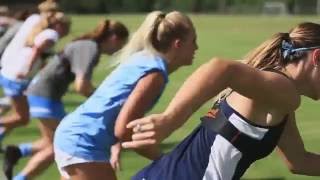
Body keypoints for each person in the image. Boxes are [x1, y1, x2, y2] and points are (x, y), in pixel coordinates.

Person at [123, 22, 320, 180]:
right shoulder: (283, 92)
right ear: (317, 57)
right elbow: (222, 68)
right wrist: (170, 119)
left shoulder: (277, 97)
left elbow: (299, 161)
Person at [53, 10, 198, 180]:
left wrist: (116, 145)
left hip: (75, 136)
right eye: (193, 41)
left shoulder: (144, 59)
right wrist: (163, 158)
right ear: (178, 44)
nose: (196, 48)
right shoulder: (155, 74)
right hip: (83, 142)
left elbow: (116, 110)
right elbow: (124, 129)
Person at [4, 19, 129, 180]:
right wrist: (108, 101)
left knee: (58, 144)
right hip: (45, 95)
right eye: (121, 43)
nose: (120, 49)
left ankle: (18, 151)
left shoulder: (87, 45)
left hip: (42, 94)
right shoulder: (90, 47)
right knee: (59, 146)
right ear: (113, 38)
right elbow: (81, 85)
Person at [1, 12, 70, 180]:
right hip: (18, 78)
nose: (68, 30)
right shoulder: (51, 34)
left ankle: (16, 151)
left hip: (11, 75)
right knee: (22, 118)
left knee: (31, 125)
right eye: (67, 26)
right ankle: (17, 156)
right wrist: (26, 72)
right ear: (59, 25)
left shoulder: (39, 28)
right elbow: (36, 51)